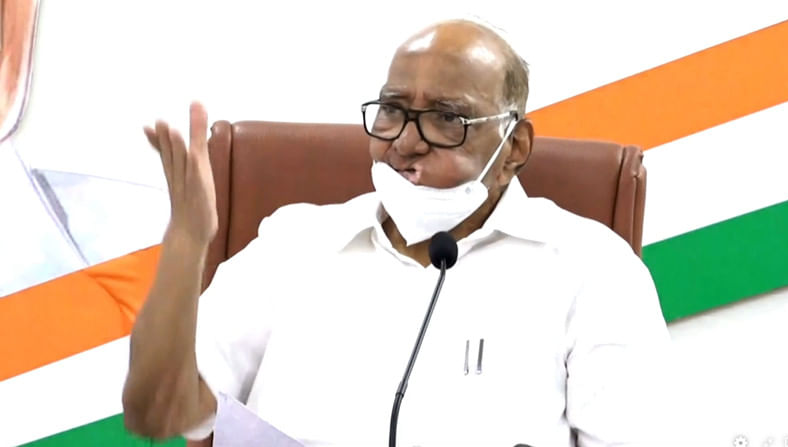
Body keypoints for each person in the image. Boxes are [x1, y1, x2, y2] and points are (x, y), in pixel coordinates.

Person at [122, 19, 673, 447]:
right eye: (392, 111)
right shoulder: (295, 241)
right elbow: (157, 410)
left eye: (447, 118)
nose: (407, 142)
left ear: (515, 147)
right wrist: (186, 245)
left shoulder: (592, 269)